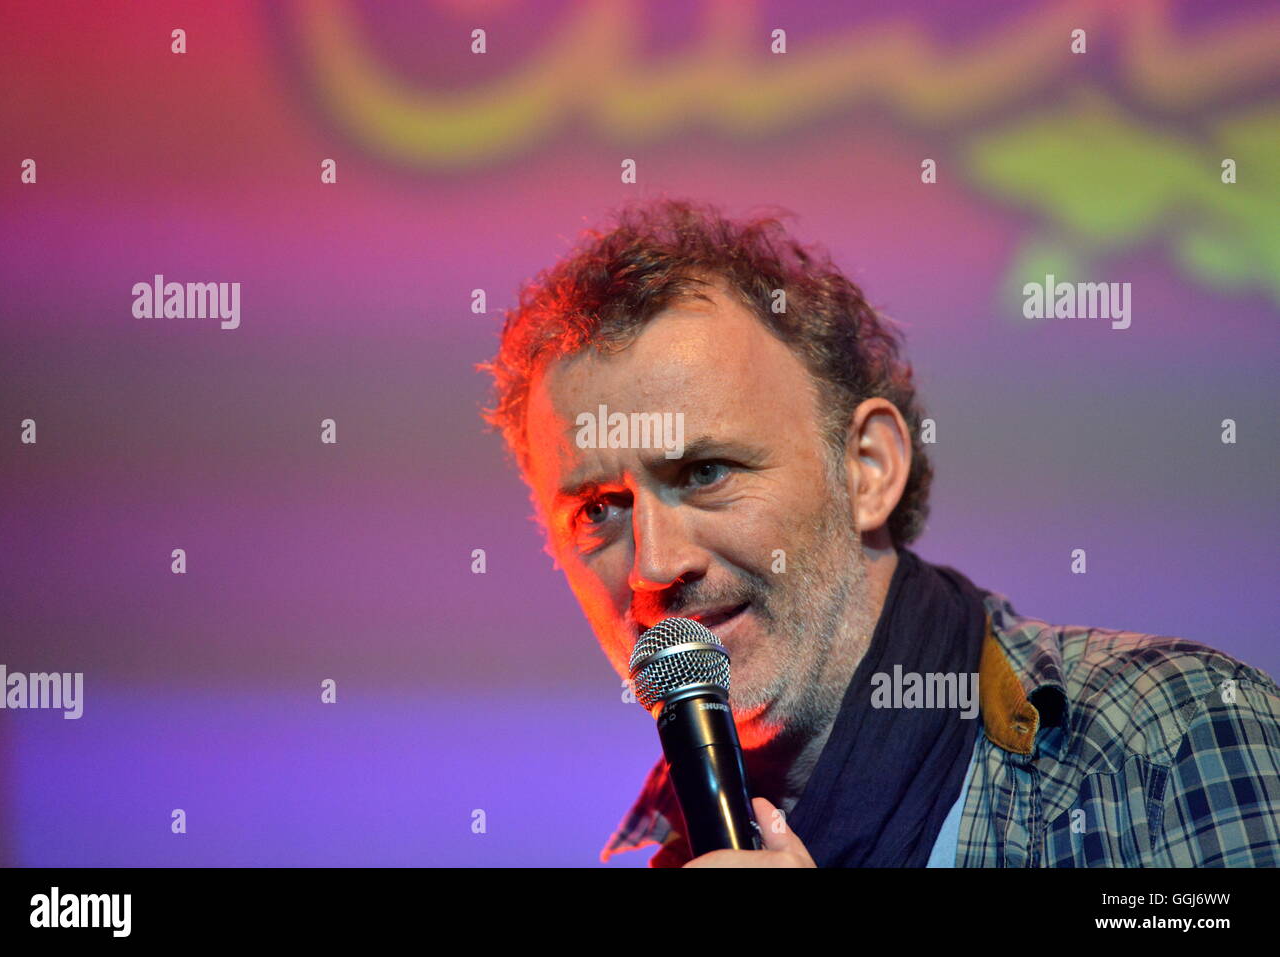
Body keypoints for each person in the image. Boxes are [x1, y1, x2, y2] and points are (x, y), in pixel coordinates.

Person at [478, 197, 1280, 867]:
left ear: (866, 468)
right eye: (599, 510)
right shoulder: (645, 848)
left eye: (706, 472)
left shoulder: (1172, 741)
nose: (656, 562)